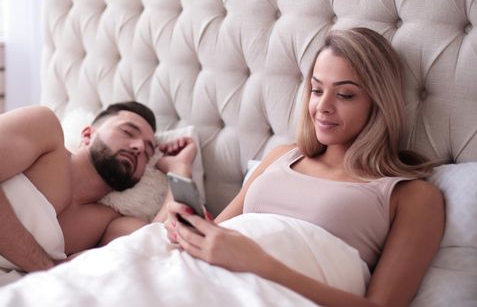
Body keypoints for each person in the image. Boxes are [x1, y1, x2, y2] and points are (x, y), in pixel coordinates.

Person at [165, 28, 445, 307]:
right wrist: (189, 226)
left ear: (379, 103)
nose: (323, 106)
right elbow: (218, 234)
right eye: (316, 89)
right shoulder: (281, 156)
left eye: (345, 94)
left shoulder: (412, 196)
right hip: (204, 280)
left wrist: (258, 264)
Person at [0, 101, 196, 276]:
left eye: (149, 150)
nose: (138, 148)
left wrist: (180, 168)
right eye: (127, 132)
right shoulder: (45, 129)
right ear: (88, 134)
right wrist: (46, 267)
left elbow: (161, 240)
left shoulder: (105, 223)